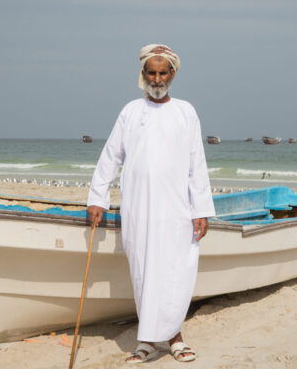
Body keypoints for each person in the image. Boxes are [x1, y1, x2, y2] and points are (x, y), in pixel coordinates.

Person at [86, 44, 215, 364]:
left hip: (176, 208)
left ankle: (176, 337)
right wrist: (97, 198)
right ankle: (147, 340)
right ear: (143, 74)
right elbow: (111, 156)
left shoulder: (186, 111)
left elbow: (196, 163)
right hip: (138, 208)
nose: (157, 79)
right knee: (143, 271)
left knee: (176, 271)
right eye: (152, 72)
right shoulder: (131, 111)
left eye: (163, 72)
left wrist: (201, 209)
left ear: (173, 74)